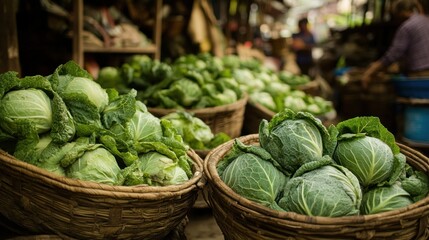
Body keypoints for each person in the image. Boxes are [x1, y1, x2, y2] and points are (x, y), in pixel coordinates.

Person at [362, 0, 429, 88]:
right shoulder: (426, 20)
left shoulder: (407, 27)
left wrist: (371, 70)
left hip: (420, 75)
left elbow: (394, 54)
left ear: (400, 13)